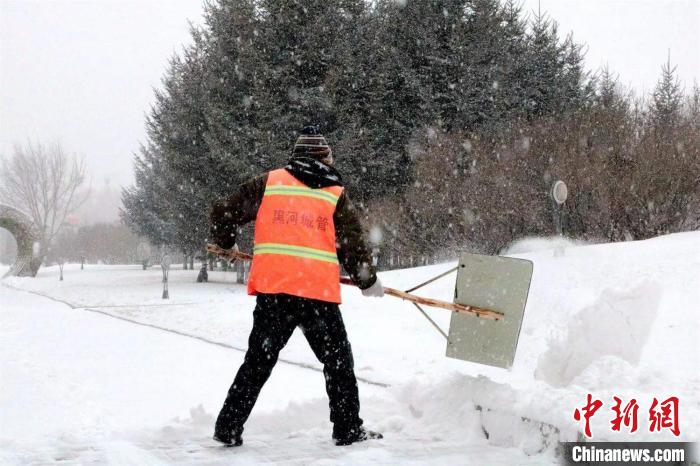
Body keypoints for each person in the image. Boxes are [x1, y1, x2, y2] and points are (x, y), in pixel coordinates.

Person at [209, 126, 384, 447]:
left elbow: (223, 211)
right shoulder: (334, 193)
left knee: (258, 361)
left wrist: (227, 243)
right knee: (338, 362)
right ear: (324, 158)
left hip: (274, 290)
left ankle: (228, 426)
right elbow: (352, 245)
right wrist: (368, 281)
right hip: (316, 294)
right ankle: (347, 429)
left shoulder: (269, 183)